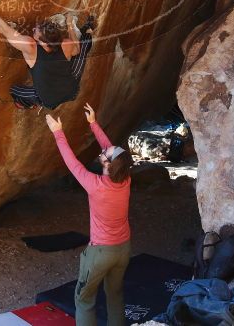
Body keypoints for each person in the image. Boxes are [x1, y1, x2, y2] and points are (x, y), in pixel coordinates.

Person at [46, 103, 133, 326]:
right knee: (115, 294)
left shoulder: (95, 185)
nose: (104, 150)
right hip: (123, 248)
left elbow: (72, 163)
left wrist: (58, 132)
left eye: (106, 154)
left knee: (84, 300)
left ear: (107, 164)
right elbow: (112, 151)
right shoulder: (125, 179)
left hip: (100, 252)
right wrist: (93, 123)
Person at [0, 0, 95, 109]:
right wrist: (70, 25)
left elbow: (3, 28)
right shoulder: (66, 44)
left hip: (49, 100)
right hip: (72, 89)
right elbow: (77, 50)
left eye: (35, 32)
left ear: (43, 42)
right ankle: (88, 30)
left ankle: (28, 104)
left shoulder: (31, 47)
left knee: (15, 91)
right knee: (82, 50)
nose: (33, 29)